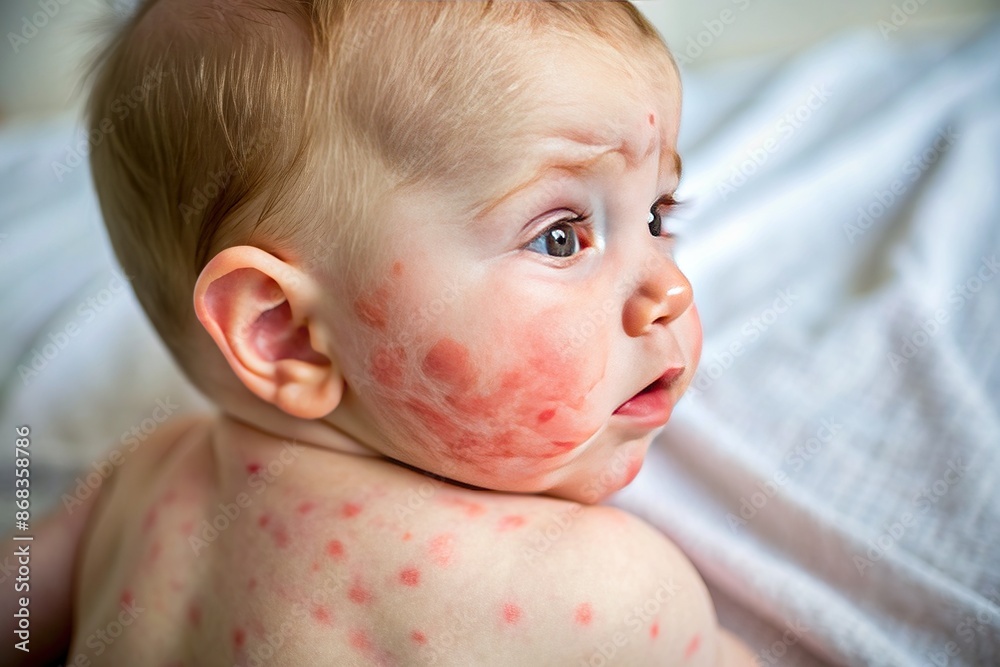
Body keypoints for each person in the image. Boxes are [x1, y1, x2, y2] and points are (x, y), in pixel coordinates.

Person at [7, 1, 756, 664]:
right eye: (560, 236)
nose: (671, 288)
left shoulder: (139, 483)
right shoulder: (611, 598)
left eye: (659, 216)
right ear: (286, 333)